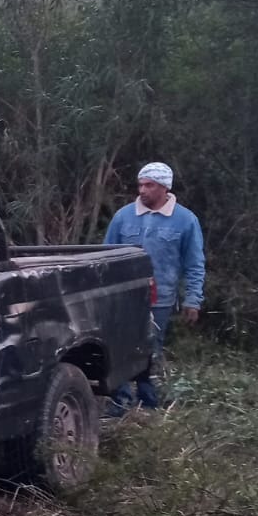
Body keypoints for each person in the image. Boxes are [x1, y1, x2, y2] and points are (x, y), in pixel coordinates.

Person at [105, 161, 205, 411]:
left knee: (152, 347)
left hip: (160, 299)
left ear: (163, 187)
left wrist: (193, 299)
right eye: (140, 184)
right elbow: (104, 256)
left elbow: (194, 263)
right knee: (119, 345)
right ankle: (121, 400)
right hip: (123, 297)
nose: (142, 190)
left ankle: (148, 403)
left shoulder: (185, 220)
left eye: (149, 185)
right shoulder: (123, 216)